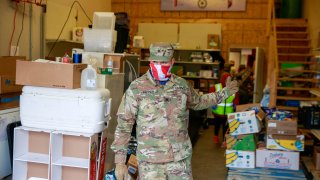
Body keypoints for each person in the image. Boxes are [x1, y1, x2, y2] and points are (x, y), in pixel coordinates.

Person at [111, 42, 239, 180]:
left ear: (172, 62)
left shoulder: (182, 86)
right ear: (150, 61)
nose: (159, 65)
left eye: (164, 62)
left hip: (179, 161)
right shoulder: (136, 88)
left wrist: (224, 93)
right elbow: (124, 125)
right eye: (156, 62)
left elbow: (199, 102)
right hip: (151, 163)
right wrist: (120, 162)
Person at [209, 58, 239, 144]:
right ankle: (220, 139)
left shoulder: (227, 87)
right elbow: (211, 95)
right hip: (222, 112)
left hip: (223, 112)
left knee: (221, 126)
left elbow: (236, 97)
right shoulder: (221, 87)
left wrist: (235, 105)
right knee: (221, 126)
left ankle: (220, 139)